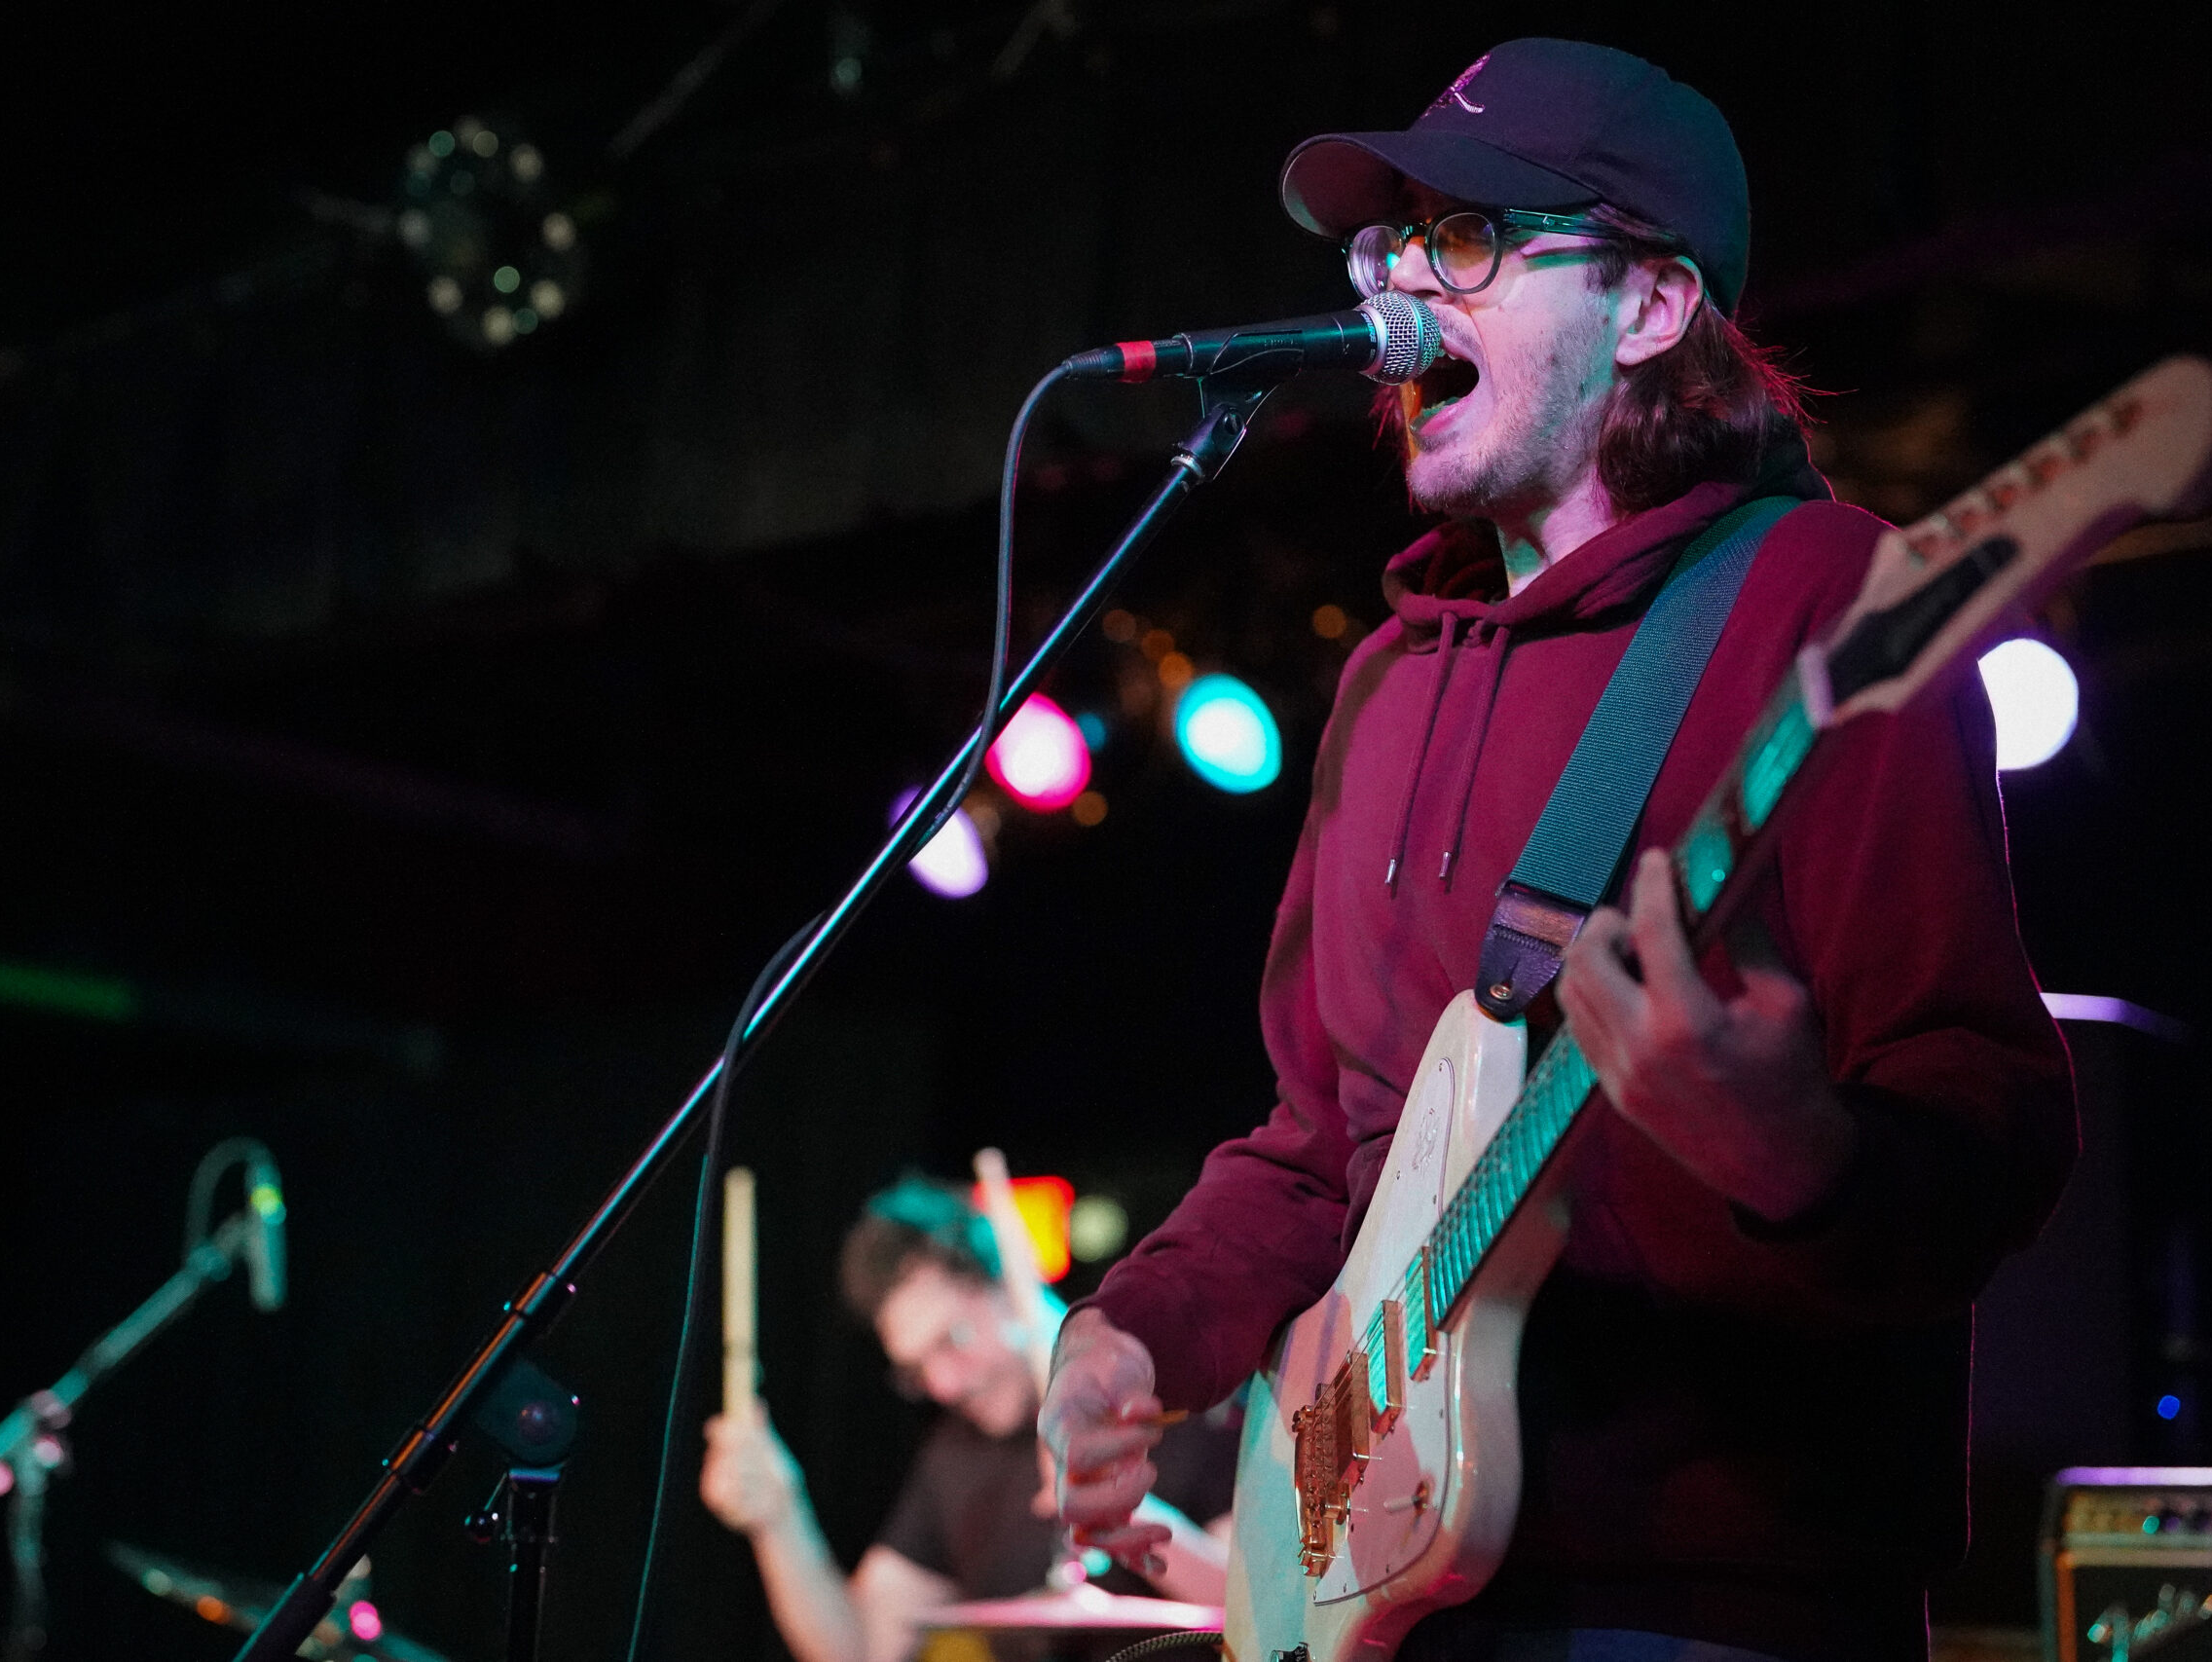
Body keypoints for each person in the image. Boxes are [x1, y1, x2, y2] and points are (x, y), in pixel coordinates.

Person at [1041, 38, 2076, 1662]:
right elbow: (1319, 1144)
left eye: (1464, 237)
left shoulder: (1820, 600)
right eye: (1389, 243)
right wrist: (1135, 1331)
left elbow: (1993, 1110)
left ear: (1649, 304)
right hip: (1393, 1589)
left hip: (1714, 1605)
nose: (1398, 283)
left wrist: (1792, 1145)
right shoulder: (1388, 681)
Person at [702, 1177, 1237, 1662]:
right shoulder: (954, 1456)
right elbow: (863, 1652)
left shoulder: (1175, 1393)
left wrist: (1124, 1516)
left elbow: (1269, 1611)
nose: (944, 1385)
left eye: (952, 1340)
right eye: (917, 1369)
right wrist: (779, 1518)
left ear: (1008, 1282)